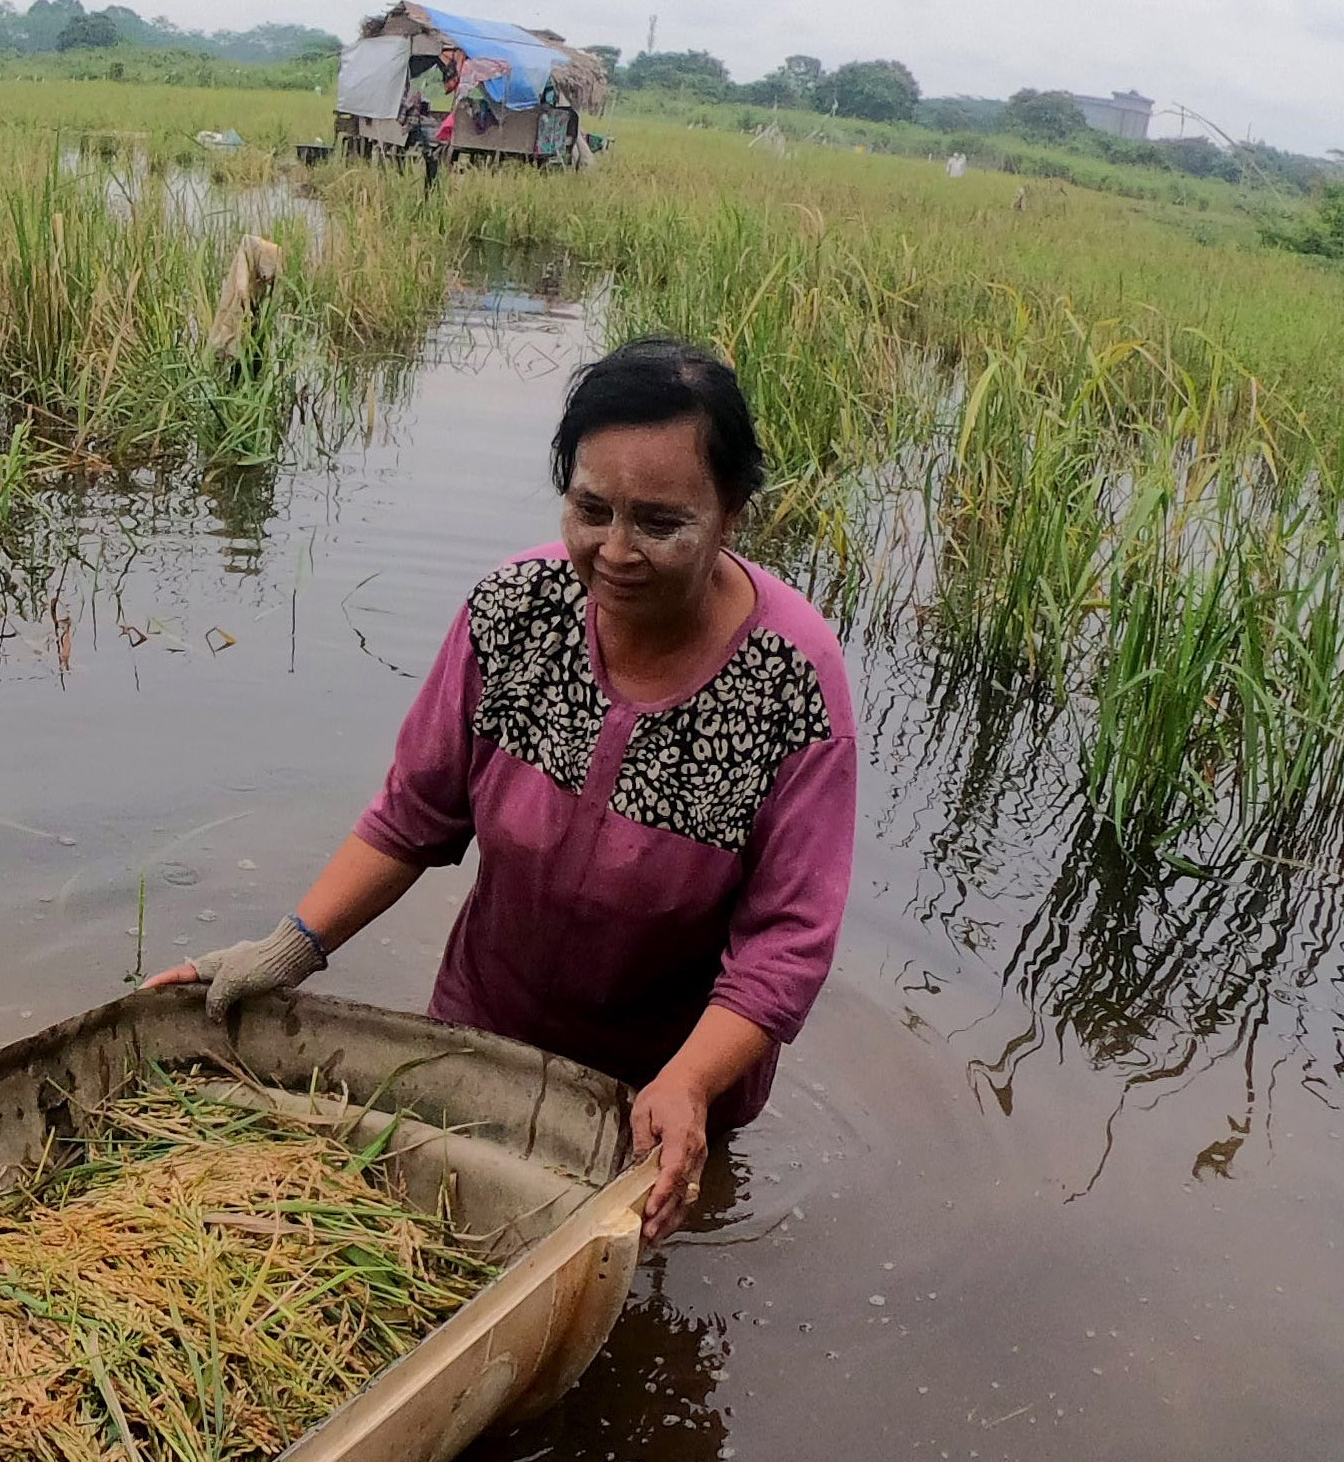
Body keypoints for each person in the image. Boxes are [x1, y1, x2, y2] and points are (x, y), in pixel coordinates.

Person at [148, 339, 856, 1244]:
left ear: (731, 515)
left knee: (619, 1269)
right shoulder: (515, 612)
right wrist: (285, 951)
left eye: (659, 523)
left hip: (664, 1076)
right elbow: (413, 815)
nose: (615, 551)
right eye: (590, 509)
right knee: (436, 1243)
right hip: (482, 1032)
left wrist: (687, 1083)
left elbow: (785, 944)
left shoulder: (792, 685)